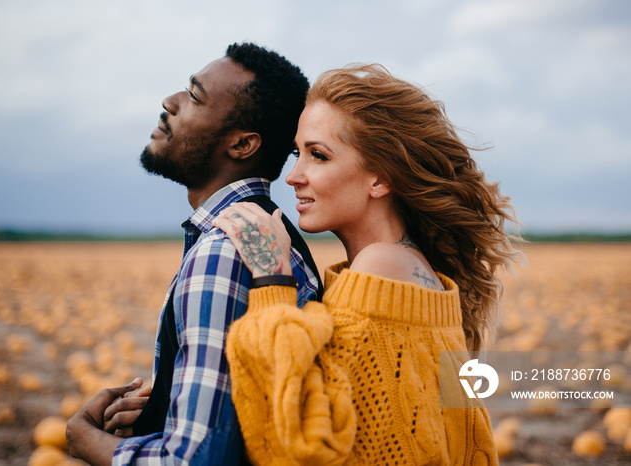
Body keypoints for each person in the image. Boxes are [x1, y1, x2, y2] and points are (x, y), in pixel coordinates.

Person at [213, 64, 521, 465]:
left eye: (318, 156)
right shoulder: (414, 272)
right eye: (297, 153)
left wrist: (273, 280)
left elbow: (302, 447)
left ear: (380, 179)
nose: (293, 176)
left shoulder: (381, 266)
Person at [66, 42, 322, 466]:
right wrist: (165, 408)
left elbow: (194, 461)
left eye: (194, 96)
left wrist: (84, 440)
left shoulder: (227, 250)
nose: (170, 102)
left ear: (242, 144)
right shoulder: (265, 236)